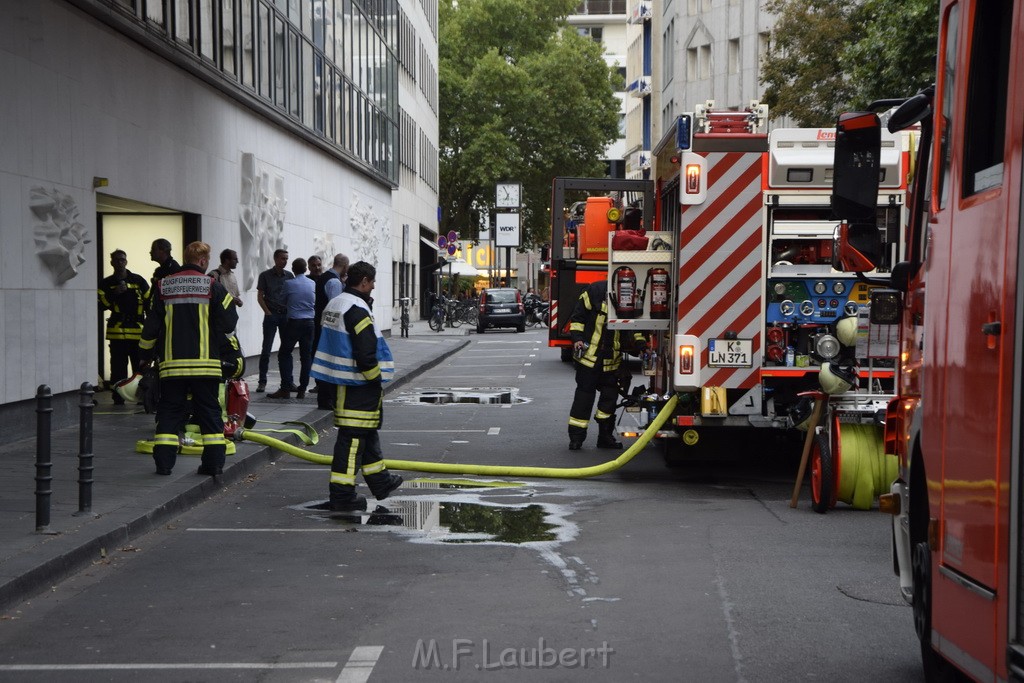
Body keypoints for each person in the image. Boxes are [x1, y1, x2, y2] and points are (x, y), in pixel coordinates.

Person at [139, 241, 238, 476]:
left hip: (173, 367)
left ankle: (164, 465)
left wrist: (144, 356)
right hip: (206, 366)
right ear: (203, 261)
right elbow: (229, 323)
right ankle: (213, 465)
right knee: (209, 413)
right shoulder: (213, 286)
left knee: (170, 412)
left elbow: (150, 328)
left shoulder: (164, 286)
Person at [310, 261, 402, 511]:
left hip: (340, 381)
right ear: (364, 282)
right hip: (358, 383)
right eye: (372, 283)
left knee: (364, 432)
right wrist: (375, 380)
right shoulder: (356, 308)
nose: (373, 287)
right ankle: (342, 494)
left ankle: (381, 482)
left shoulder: (336, 303)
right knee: (351, 441)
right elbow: (365, 351)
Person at [567, 279, 646, 451]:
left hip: (612, 361)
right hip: (589, 360)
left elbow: (637, 326)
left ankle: (605, 437)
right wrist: (578, 339)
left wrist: (640, 344)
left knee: (609, 401)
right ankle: (576, 439)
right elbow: (577, 319)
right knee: (583, 400)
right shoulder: (594, 291)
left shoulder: (632, 296)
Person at [98, 250, 150, 404]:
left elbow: (148, 303)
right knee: (118, 368)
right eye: (116, 260)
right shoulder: (106, 283)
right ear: (111, 262)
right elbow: (101, 305)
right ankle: (118, 397)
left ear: (126, 262)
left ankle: (142, 396)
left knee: (139, 367)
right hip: (117, 333)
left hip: (137, 332)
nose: (120, 263)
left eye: (122, 260)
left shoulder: (138, 280)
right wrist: (114, 293)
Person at [269, 258, 316, 399]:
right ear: (306, 268)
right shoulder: (312, 283)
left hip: (294, 322)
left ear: (293, 270)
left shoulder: (289, 283)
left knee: (284, 353)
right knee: (306, 356)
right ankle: (302, 389)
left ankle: (285, 388)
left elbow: (282, 301)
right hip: (309, 323)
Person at [313, 253, 350, 410]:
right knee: (329, 362)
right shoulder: (334, 282)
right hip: (329, 328)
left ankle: (325, 398)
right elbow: (336, 309)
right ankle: (327, 399)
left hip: (320, 325)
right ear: (344, 266)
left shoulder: (325, 277)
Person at [256, 249, 293, 392]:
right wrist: (268, 312)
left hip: (285, 315)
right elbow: (260, 296)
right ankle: (262, 381)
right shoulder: (265, 275)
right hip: (271, 314)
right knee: (266, 349)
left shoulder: (289, 276)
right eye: (283, 258)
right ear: (276, 259)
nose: (285, 261)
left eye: (287, 258)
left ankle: (288, 381)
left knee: (286, 349)